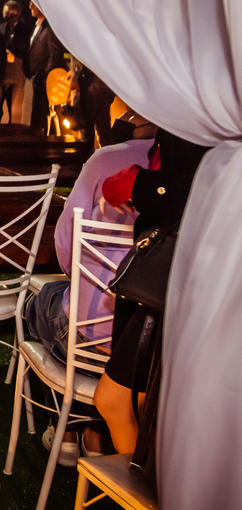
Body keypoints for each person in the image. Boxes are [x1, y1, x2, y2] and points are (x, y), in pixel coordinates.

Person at [24, 110, 155, 464]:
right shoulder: (184, 178)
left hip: (87, 334)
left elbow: (66, 248)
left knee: (40, 305)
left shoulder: (106, 160)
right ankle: (95, 435)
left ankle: (65, 430)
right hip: (146, 348)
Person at [93, 123, 210, 456]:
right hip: (171, 274)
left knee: (115, 401)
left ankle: (150, 488)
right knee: (147, 411)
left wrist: (136, 183)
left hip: (181, 275)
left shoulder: (204, 111)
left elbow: (200, 191)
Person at [23, 0, 65, 130]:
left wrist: (46, 75)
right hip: (33, 77)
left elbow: (55, 53)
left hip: (43, 80)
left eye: (33, 3)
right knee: (33, 114)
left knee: (40, 115)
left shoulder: (50, 27)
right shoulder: (37, 25)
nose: (30, 6)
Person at [0, 0, 33, 123]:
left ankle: (14, 134)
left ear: (19, 13)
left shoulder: (27, 30)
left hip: (17, 73)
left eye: (13, 13)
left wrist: (13, 53)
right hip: (1, 73)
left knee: (15, 112)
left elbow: (27, 49)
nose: (9, 16)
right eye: (7, 13)